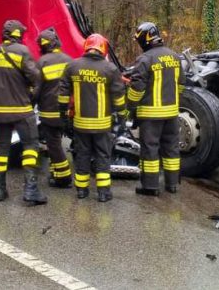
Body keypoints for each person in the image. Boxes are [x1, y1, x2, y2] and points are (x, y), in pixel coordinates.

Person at [0, 19, 47, 205]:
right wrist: (31, 97)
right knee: (30, 146)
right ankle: (31, 190)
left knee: (1, 149)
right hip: (22, 109)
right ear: (18, 35)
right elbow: (36, 78)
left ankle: (0, 191)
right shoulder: (22, 52)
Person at [58, 33, 126, 202]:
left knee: (82, 155)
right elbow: (119, 98)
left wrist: (63, 116)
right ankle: (103, 193)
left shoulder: (73, 66)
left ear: (86, 46)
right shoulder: (110, 69)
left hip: (81, 124)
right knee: (103, 156)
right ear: (103, 48)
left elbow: (63, 95)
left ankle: (82, 190)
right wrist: (122, 117)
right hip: (102, 125)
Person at [127, 22, 186, 195]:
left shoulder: (145, 59)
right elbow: (181, 84)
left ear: (145, 39)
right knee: (171, 148)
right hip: (171, 114)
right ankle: (172, 184)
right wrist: (173, 100)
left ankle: (150, 186)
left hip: (151, 116)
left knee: (150, 150)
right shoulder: (174, 57)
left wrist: (130, 107)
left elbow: (137, 89)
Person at [35, 28, 73, 188]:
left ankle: (64, 178)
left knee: (54, 144)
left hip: (49, 111)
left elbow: (35, 90)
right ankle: (56, 173)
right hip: (67, 111)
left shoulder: (41, 63)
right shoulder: (69, 60)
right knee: (57, 141)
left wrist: (28, 105)